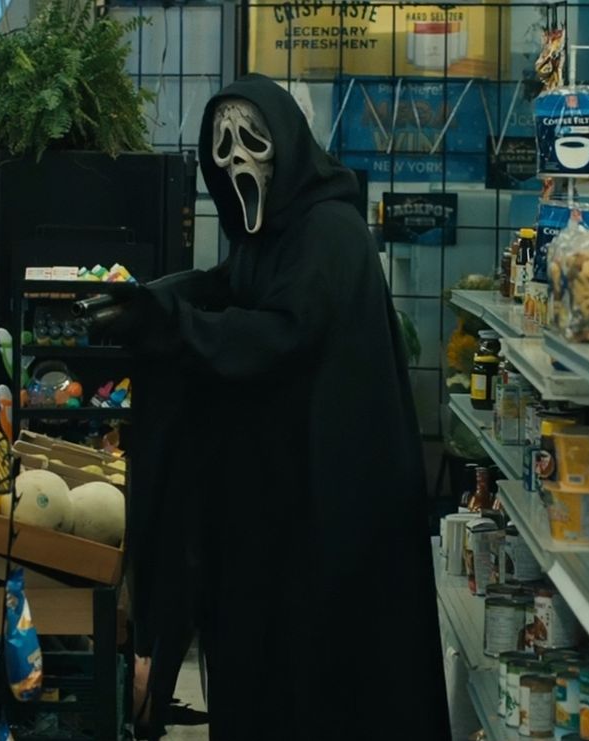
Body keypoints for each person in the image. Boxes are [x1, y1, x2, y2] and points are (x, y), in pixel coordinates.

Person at [117, 73, 451, 740]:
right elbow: (229, 284)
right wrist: (154, 298)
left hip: (329, 516)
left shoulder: (328, 232)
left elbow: (280, 331)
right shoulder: (272, 234)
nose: (236, 158)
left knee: (320, 684)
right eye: (222, 145)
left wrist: (167, 323)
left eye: (251, 141)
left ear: (286, 145)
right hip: (284, 508)